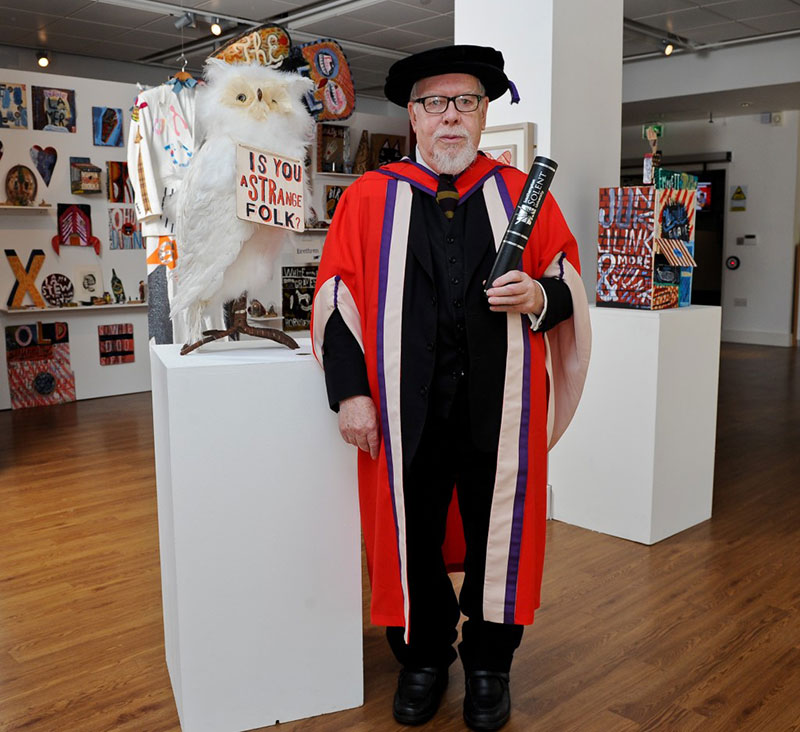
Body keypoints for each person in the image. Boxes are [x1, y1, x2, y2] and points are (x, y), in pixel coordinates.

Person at [311, 45, 590, 731]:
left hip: (501, 411)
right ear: (413, 115)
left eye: (465, 102)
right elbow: (336, 299)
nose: (451, 117)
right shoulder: (370, 198)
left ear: (483, 111)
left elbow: (569, 287)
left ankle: (491, 665)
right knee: (413, 540)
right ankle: (424, 657)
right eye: (435, 104)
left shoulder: (522, 194)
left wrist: (540, 295)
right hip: (409, 415)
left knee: (502, 538)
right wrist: (351, 393)